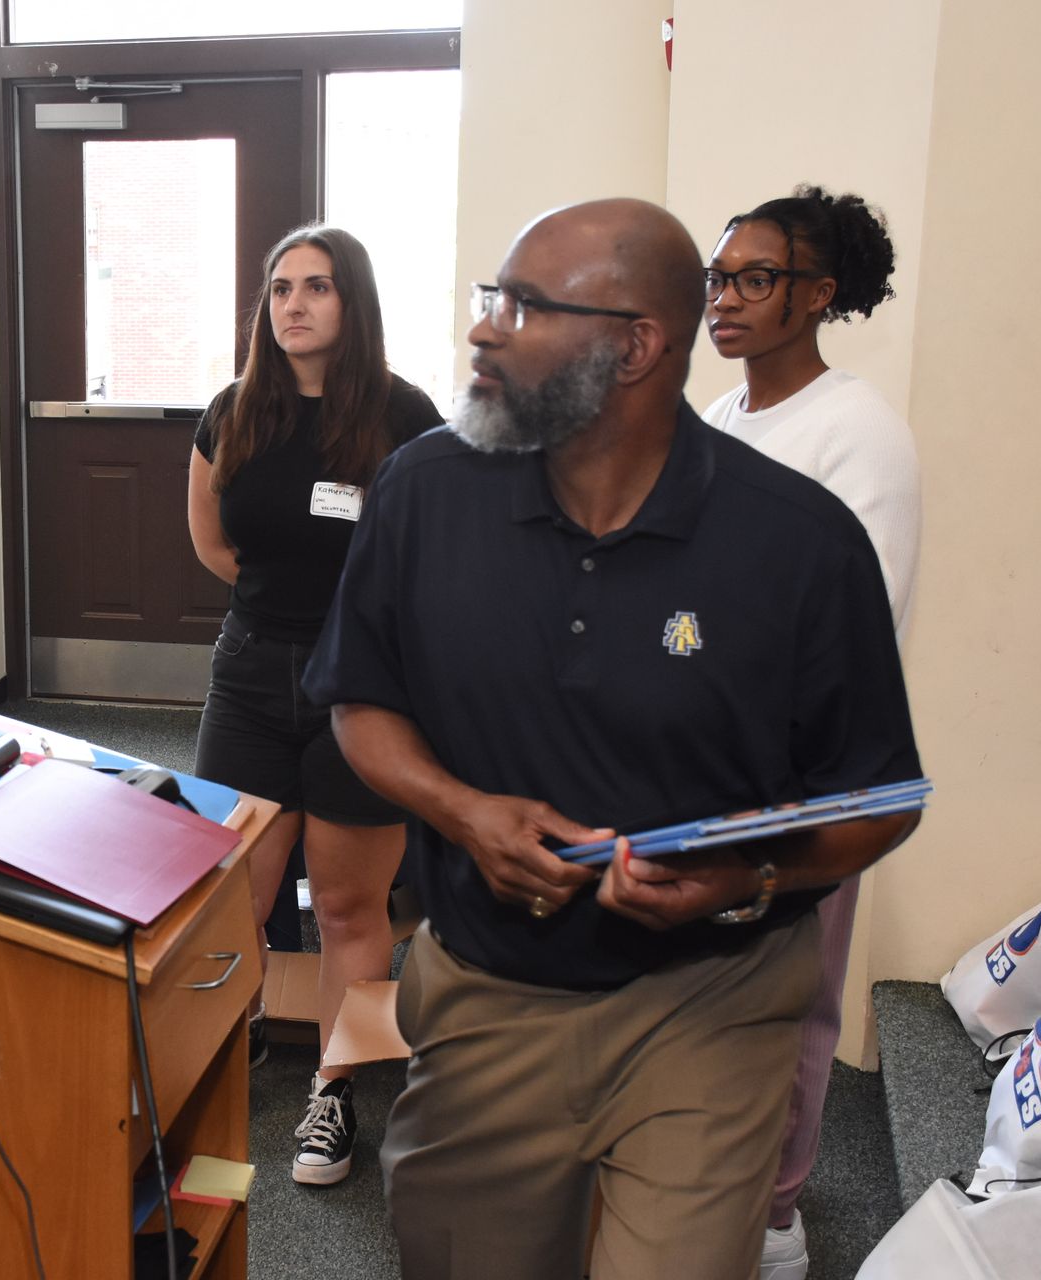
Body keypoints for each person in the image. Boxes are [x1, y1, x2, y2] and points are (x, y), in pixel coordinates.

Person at [303, 198, 922, 1279]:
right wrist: (463, 811)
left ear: (637, 346)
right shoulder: (426, 492)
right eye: (489, 301)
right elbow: (359, 699)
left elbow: (879, 796)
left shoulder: (800, 544)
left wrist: (749, 871)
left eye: (521, 307)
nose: (484, 331)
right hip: (488, 988)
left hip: (711, 999)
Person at [186, 224, 442, 1186]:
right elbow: (214, 541)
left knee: (348, 903)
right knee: (234, 898)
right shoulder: (234, 410)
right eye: (280, 287)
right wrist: (278, 608)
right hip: (250, 672)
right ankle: (225, 1039)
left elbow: (429, 558)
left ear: (354, 302)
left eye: (318, 287)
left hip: (366, 687)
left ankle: (335, 1092)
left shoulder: (405, 418)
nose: (293, 303)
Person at [704, 185, 921, 1280]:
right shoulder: (717, 418)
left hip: (805, 776)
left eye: (755, 278)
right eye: (719, 275)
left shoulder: (860, 432)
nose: (725, 299)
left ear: (818, 294)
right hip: (706, 758)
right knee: (715, 999)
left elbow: (856, 627)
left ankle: (779, 1215)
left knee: (794, 999)